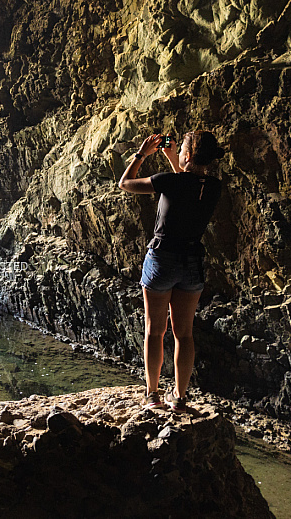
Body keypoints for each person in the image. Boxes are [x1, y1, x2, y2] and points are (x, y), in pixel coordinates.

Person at [117, 130, 225, 412]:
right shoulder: (213, 187)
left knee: (155, 331)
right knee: (184, 334)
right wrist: (171, 156)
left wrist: (142, 154)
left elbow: (125, 183)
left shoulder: (170, 182)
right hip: (192, 264)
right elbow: (189, 183)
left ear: (187, 156)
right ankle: (179, 397)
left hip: (162, 259)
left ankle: (153, 395)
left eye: (181, 152)